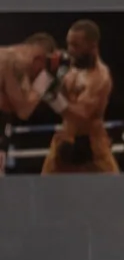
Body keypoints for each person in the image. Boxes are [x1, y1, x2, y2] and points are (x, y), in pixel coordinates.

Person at [41, 18, 118, 174]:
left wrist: (52, 97)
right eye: (69, 44)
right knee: (42, 193)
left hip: (93, 147)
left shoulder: (100, 77)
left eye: (76, 46)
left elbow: (82, 115)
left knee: (116, 194)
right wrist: (47, 75)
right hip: (64, 139)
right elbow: (40, 90)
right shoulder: (70, 67)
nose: (70, 50)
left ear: (92, 46)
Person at [0, 32, 61, 176]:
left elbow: (23, 102)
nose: (38, 76)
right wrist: (47, 78)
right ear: (40, 59)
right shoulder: (12, 62)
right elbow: (24, 110)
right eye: (43, 69)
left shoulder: (19, 64)